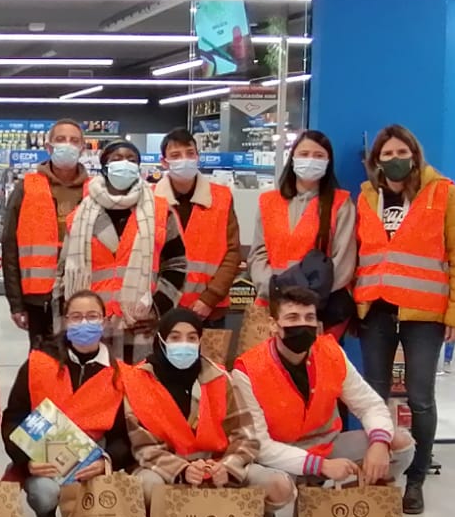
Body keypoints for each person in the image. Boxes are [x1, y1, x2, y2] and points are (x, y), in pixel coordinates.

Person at [232, 285, 418, 517]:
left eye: (309, 318)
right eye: (293, 318)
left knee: (399, 443)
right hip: (275, 456)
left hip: (327, 445)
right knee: (277, 486)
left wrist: (379, 443)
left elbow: (370, 405)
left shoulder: (331, 353)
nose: (302, 325)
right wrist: (319, 466)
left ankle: (367, 516)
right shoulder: (247, 369)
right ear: (274, 325)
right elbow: (260, 444)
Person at [355, 125, 455, 517]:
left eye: (400, 151)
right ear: (376, 160)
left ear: (415, 153)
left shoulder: (444, 193)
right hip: (376, 310)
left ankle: (417, 479)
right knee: (374, 396)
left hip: (425, 315)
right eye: (386, 154)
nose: (394, 159)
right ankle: (377, 472)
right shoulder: (367, 197)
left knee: (421, 399)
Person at [121, 309, 284, 517]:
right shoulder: (137, 380)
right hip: (164, 470)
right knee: (147, 485)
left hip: (217, 468)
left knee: (278, 485)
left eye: (191, 338)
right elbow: (143, 448)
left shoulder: (219, 377)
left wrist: (227, 467)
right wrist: (183, 470)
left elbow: (246, 437)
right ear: (161, 339)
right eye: (175, 337)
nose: (184, 344)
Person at [2, 289, 132, 517]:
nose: (84, 323)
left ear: (105, 321)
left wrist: (105, 461)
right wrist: (28, 461)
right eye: (76, 317)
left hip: (95, 458)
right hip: (47, 461)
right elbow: (13, 418)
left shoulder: (121, 375)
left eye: (92, 316)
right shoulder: (37, 364)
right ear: (65, 321)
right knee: (43, 493)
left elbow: (125, 435)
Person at [58, 139, 187, 364]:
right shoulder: (80, 216)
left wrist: (158, 310)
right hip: (91, 326)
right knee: (93, 389)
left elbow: (177, 264)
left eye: (131, 159)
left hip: (139, 325)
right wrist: (70, 319)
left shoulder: (160, 211)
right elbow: (63, 273)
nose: (124, 164)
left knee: (138, 390)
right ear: (104, 166)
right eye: (116, 159)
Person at [249, 129, 355, 328]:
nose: (311, 160)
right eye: (304, 154)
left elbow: (343, 263)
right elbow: (258, 254)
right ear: (293, 159)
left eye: (319, 156)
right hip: (271, 307)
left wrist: (306, 300)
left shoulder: (341, 203)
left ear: (328, 162)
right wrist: (274, 290)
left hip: (318, 312)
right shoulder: (269, 202)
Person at [2, 119, 90, 344]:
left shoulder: (96, 189)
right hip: (39, 299)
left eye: (74, 140)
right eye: (60, 140)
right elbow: (10, 248)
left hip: (85, 297)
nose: (67, 145)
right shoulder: (26, 188)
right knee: (43, 364)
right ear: (48, 147)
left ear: (83, 147)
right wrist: (16, 303)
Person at [153, 128, 241, 325]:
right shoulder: (150, 201)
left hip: (210, 310)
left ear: (198, 157)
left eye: (190, 153)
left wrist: (210, 298)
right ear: (164, 162)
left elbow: (232, 253)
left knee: (208, 357)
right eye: (176, 155)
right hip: (161, 308)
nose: (184, 160)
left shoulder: (221, 197)